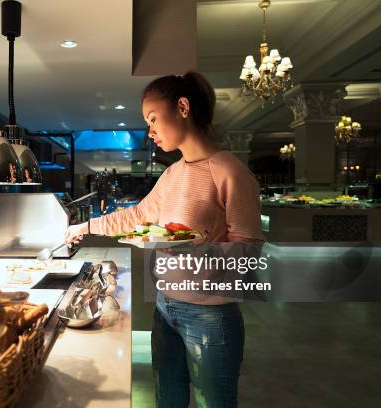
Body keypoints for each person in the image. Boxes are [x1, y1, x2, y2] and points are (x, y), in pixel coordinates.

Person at [65, 71, 264, 408]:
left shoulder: (229, 172)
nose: (150, 131)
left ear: (183, 107)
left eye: (154, 118)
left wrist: (192, 251)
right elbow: (136, 217)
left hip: (210, 315)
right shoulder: (173, 175)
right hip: (165, 305)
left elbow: (249, 250)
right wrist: (85, 228)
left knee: (213, 402)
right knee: (167, 399)